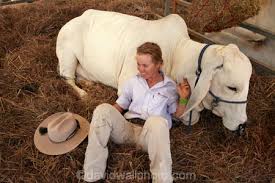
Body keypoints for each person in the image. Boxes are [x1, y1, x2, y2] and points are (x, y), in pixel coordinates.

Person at [83, 42, 191, 183]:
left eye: (145, 65)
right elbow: (120, 106)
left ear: (159, 64)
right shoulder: (133, 81)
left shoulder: (170, 87)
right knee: (103, 109)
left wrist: (183, 99)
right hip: (127, 130)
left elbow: (176, 115)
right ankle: (92, 177)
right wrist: (102, 122)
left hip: (150, 136)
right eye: (138, 64)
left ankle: (162, 180)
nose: (141, 69)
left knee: (157, 121)